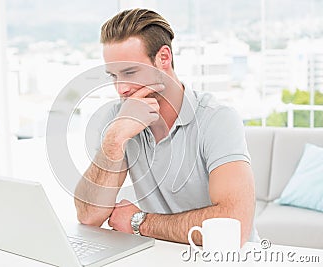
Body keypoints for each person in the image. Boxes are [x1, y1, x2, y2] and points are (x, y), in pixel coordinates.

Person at [74, 8, 258, 246]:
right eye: (113, 76)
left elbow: (235, 227)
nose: (121, 89)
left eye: (130, 72)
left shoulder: (217, 119)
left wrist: (139, 222)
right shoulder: (120, 117)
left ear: (163, 58)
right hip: (164, 255)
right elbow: (88, 216)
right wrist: (115, 138)